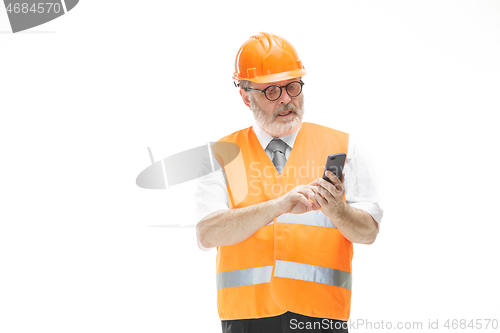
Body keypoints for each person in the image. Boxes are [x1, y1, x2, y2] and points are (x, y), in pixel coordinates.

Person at [195, 32, 383, 333]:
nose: (286, 99)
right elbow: (207, 233)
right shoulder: (220, 155)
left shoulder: (344, 147)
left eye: (293, 87)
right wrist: (277, 206)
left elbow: (369, 233)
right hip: (247, 320)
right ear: (245, 95)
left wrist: (339, 210)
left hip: (322, 319)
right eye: (271, 91)